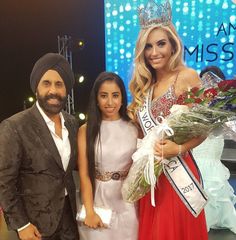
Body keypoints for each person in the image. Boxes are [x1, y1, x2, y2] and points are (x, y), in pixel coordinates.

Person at [128, 0, 208, 239]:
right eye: (148, 46)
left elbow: (203, 128)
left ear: (173, 44)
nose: (154, 53)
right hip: (152, 178)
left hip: (179, 172)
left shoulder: (187, 76)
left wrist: (179, 147)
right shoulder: (145, 85)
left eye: (161, 44)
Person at [0, 53, 79, 240]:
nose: (53, 90)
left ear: (66, 89)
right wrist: (22, 225)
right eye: (46, 83)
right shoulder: (15, 126)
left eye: (59, 84)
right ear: (36, 87)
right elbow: (4, 182)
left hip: (70, 221)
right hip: (35, 227)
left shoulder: (72, 124)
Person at [77, 72, 138, 240]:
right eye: (104, 96)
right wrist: (89, 210)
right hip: (97, 201)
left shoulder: (134, 128)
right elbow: (84, 175)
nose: (110, 102)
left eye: (115, 95)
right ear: (96, 98)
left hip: (128, 202)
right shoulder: (85, 130)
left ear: (122, 97)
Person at [192, 66, 236, 234]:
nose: (207, 83)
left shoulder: (226, 104)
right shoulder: (196, 101)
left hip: (213, 147)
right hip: (197, 146)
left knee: (214, 181)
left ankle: (215, 218)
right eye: (203, 80)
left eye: (211, 79)